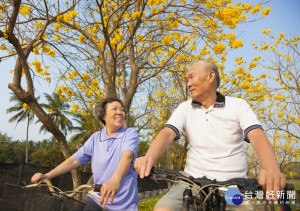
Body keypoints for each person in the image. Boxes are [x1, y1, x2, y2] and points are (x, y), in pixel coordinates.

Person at [134, 60, 286, 211]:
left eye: (191, 77)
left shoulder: (238, 105)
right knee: (162, 209)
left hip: (233, 187)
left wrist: (270, 167)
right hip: (191, 182)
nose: (188, 84)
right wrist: (149, 157)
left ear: (210, 76)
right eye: (187, 80)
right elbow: (167, 133)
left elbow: (256, 134)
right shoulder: (185, 108)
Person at [31, 97, 139, 211]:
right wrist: (47, 176)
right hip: (97, 199)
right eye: (114, 109)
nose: (119, 112)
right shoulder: (95, 138)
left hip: (123, 205)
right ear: (103, 116)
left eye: (122, 109)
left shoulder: (129, 133)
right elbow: (74, 160)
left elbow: (128, 156)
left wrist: (115, 179)